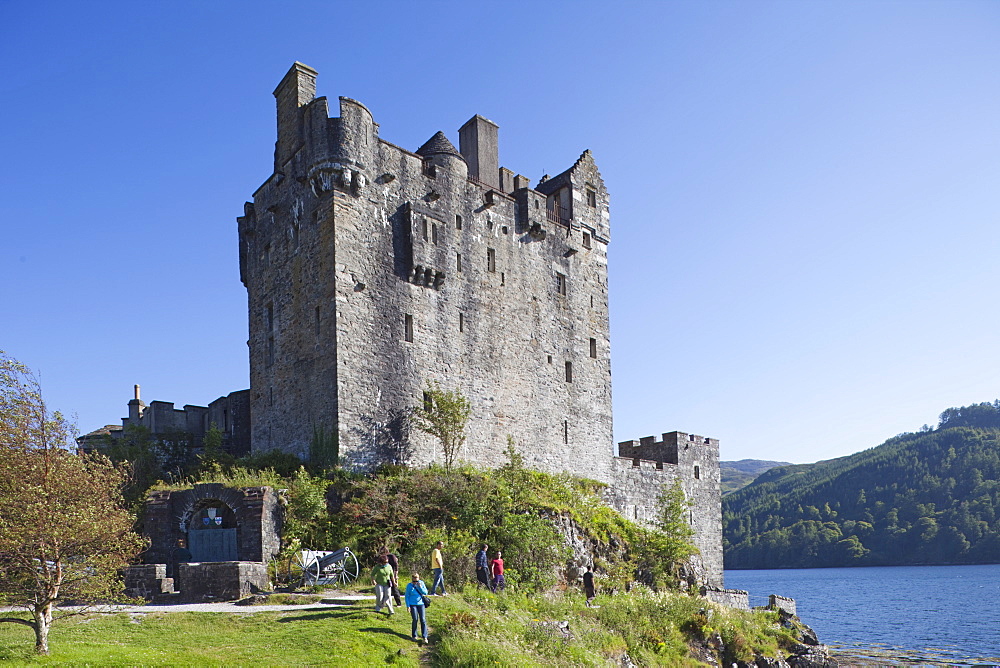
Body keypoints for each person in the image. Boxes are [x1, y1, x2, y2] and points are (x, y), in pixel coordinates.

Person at [404, 572, 430, 644]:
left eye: (416, 580)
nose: (415, 582)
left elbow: (425, 592)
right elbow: (407, 596)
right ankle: (414, 635)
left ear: (419, 579)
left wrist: (420, 587)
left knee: (423, 619)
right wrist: (408, 606)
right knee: (415, 619)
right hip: (413, 604)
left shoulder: (421, 583)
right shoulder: (409, 586)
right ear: (412, 579)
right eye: (414, 581)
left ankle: (425, 636)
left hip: (421, 604)